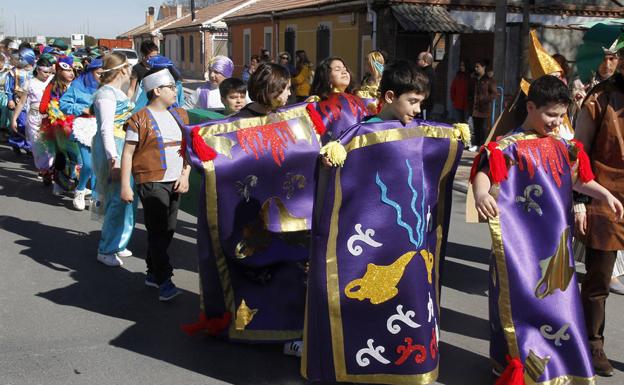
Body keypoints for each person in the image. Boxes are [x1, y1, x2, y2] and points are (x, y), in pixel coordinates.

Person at [305, 60, 464, 384]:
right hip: (372, 242)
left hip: (408, 240)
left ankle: (404, 368)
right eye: (413, 102)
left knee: (409, 297)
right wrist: (330, 159)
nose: (419, 111)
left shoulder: (418, 132)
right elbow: (335, 169)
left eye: (422, 103)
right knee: (371, 306)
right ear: (390, 96)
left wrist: (454, 139)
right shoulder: (362, 134)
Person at [472, 75, 623, 383]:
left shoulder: (564, 147)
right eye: (550, 115)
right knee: (516, 301)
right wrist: (481, 193)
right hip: (518, 245)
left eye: (561, 116)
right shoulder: (509, 146)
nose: (556, 123)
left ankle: (555, 364)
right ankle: (513, 364)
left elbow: (580, 179)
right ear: (531, 107)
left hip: (555, 243)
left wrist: (605, 194)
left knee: (557, 302)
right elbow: (485, 173)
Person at [573, 44, 624, 377]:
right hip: (606, 198)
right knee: (599, 280)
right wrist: (579, 200)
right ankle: (593, 343)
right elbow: (578, 152)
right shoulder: (599, 99)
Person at [120, 67, 190, 301]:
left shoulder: (180, 115)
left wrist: (185, 174)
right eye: (171, 87)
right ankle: (165, 279)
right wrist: (125, 185)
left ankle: (152, 272)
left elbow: (189, 149)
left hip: (175, 180)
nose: (175, 91)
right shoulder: (138, 120)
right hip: (150, 181)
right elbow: (128, 153)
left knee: (167, 231)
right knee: (158, 231)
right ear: (157, 90)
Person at [91, 52, 136, 267]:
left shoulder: (116, 92)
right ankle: (106, 248)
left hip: (123, 146)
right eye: (129, 67)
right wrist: (113, 159)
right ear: (122, 70)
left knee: (126, 197)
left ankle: (118, 241)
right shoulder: (105, 95)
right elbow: (106, 129)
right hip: (114, 148)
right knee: (117, 198)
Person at [59, 58, 104, 210]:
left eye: (105, 73)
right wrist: (83, 109)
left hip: (103, 126)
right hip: (84, 126)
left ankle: (94, 194)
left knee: (99, 164)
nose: (102, 76)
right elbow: (64, 104)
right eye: (99, 73)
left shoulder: (107, 86)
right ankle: (79, 190)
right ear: (91, 72)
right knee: (89, 164)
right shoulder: (77, 85)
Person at [40, 55, 80, 196]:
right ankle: (59, 183)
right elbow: (42, 107)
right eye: (67, 70)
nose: (71, 73)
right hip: (59, 128)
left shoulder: (77, 85)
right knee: (62, 157)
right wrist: (54, 109)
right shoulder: (52, 87)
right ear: (58, 71)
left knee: (76, 158)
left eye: (72, 70)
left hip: (77, 126)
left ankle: (75, 184)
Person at [11, 56, 53, 182]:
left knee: (49, 146)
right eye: (45, 72)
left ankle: (50, 170)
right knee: (37, 146)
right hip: (34, 118)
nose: (47, 75)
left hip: (50, 117)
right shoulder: (30, 82)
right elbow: (22, 102)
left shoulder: (53, 81)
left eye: (49, 72)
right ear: (38, 70)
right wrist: (14, 119)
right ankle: (44, 169)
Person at [310, 56, 368, 142]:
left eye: (345, 69)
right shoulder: (315, 103)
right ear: (326, 76)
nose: (344, 72)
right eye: (337, 69)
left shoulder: (357, 100)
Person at [6, 48, 35, 155]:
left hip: (33, 102)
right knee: (21, 123)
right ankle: (16, 142)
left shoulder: (37, 71)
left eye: (22, 58)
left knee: (31, 125)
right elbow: (9, 87)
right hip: (19, 101)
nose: (19, 60)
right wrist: (10, 100)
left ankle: (29, 145)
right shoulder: (14, 72)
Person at [470, 60, 497, 151]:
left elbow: (494, 93)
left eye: (478, 67)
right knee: (476, 127)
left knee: (483, 128)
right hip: (474, 107)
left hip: (483, 108)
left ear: (483, 67)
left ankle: (482, 145)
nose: (476, 68)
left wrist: (485, 100)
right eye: (475, 67)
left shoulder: (488, 80)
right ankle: (476, 144)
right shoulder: (474, 79)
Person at [417, 51, 435, 119]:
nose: (417, 61)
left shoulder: (429, 73)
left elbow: (425, 89)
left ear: (425, 61)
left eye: (419, 59)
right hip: (421, 104)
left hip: (425, 105)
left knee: (423, 123)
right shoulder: (422, 71)